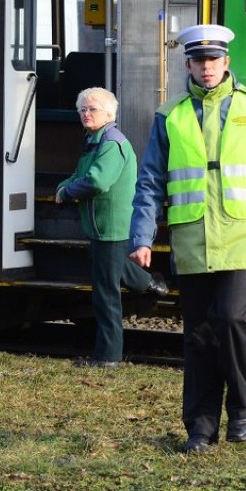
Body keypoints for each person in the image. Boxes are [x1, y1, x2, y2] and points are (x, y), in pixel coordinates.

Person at [128, 25, 246, 452]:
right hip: (193, 238)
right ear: (188, 64)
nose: (207, 68)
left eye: (214, 60)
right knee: (198, 334)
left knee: (230, 319)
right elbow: (150, 181)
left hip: (242, 236)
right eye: (199, 60)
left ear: (226, 62)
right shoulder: (168, 116)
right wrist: (141, 236)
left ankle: (243, 406)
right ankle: (200, 427)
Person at [56, 87, 168, 368]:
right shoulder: (95, 140)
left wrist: (68, 193)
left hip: (112, 228)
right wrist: (64, 187)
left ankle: (108, 357)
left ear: (108, 113)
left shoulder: (110, 143)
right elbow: (80, 174)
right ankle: (150, 282)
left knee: (105, 294)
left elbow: (97, 181)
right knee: (113, 270)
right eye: (82, 109)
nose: (86, 114)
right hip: (102, 227)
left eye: (92, 109)